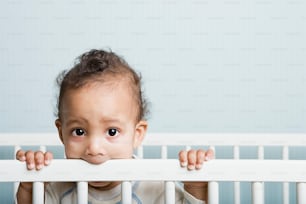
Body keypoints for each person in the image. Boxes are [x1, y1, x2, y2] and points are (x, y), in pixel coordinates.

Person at [16, 49, 214, 204]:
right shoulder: (57, 183)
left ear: (137, 134)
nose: (94, 148)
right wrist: (31, 181)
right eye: (79, 131)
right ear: (61, 133)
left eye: (112, 131)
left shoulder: (154, 184)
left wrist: (196, 183)